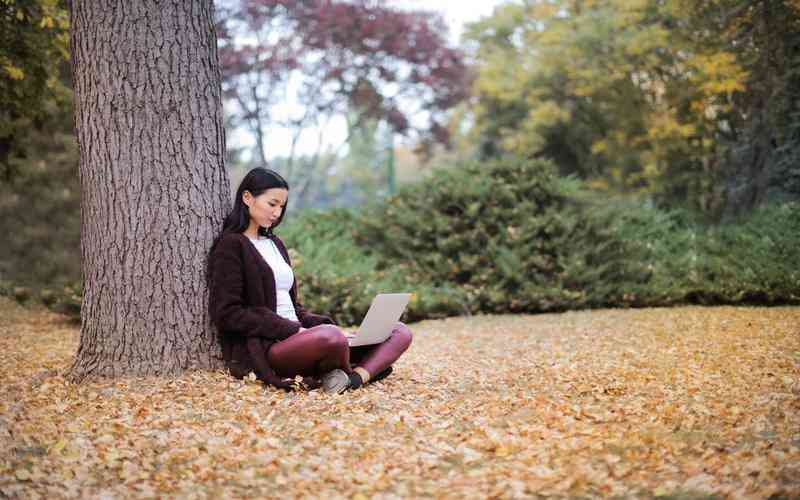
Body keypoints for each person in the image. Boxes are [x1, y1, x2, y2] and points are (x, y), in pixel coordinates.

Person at [207, 167, 413, 393]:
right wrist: (293, 330)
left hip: (305, 338)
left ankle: (352, 379)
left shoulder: (275, 244)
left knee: (399, 331)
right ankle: (359, 370)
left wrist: (322, 325)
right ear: (247, 197)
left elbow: (294, 307)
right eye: (272, 204)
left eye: (281, 206)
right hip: (272, 346)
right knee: (331, 337)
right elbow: (227, 312)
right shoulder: (231, 245)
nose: (277, 213)